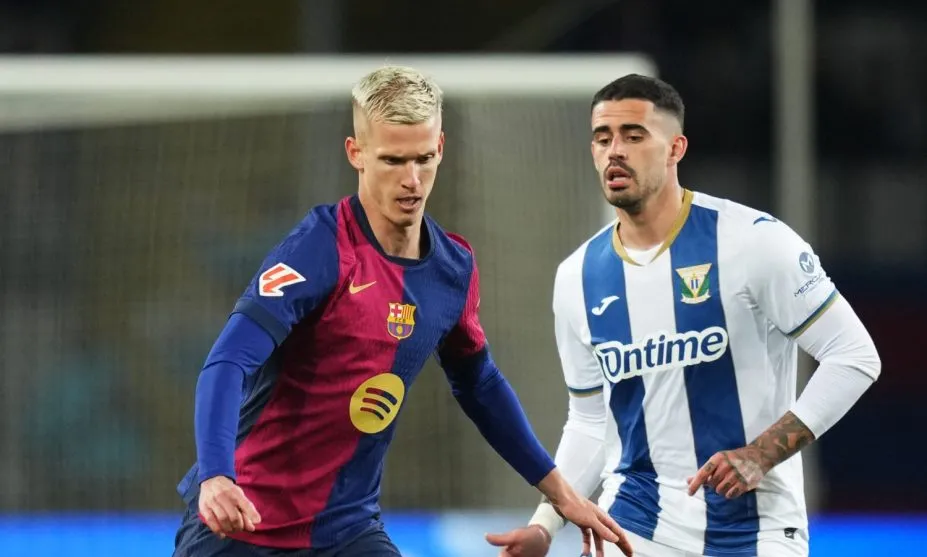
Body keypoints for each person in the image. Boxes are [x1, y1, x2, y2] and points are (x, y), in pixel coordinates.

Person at [171, 65, 631, 557]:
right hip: (243, 524)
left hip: (347, 531)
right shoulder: (319, 249)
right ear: (357, 153)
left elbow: (480, 384)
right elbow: (228, 361)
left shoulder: (452, 268)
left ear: (441, 149)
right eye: (393, 160)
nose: (412, 181)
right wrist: (217, 475)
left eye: (424, 159)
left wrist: (561, 496)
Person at [486, 74, 882, 557]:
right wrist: (545, 524)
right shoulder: (577, 277)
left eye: (634, 136)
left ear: (675, 149)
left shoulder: (753, 241)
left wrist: (761, 454)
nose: (614, 151)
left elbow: (855, 356)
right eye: (602, 138)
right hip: (633, 526)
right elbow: (590, 422)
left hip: (754, 531)